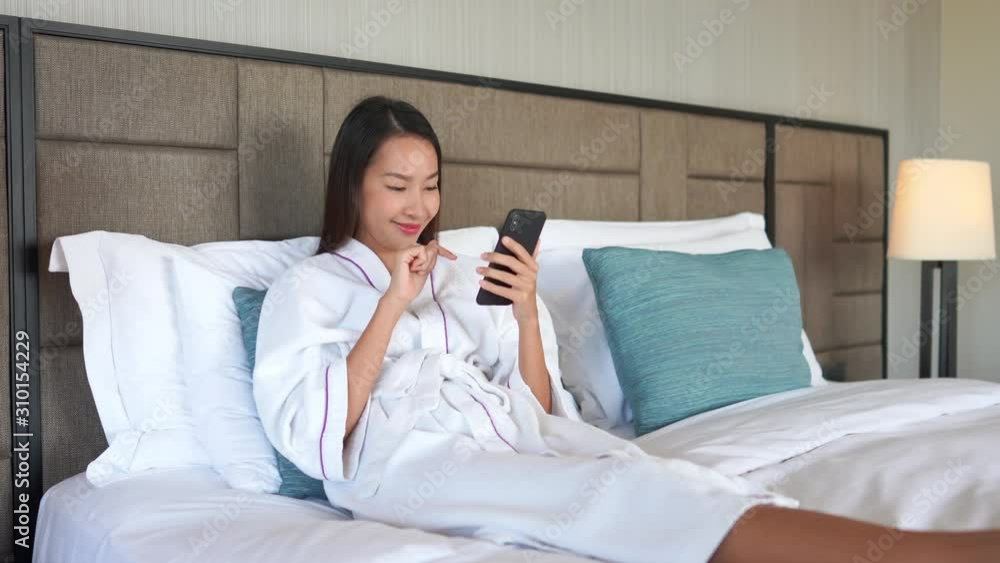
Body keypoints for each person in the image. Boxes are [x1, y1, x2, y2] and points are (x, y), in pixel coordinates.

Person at [252, 96, 1000, 563]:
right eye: (395, 185)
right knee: (608, 487)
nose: (417, 204)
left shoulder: (455, 274)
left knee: (654, 472)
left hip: (502, 435)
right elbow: (320, 434)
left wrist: (524, 309)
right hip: (406, 462)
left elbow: (538, 408)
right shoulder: (307, 287)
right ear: (352, 184)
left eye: (430, 183)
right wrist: (390, 301)